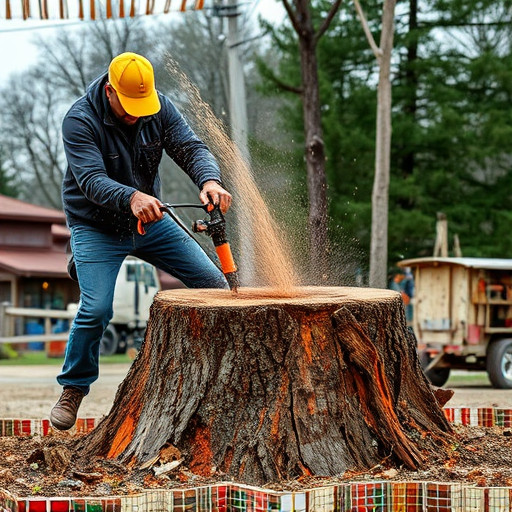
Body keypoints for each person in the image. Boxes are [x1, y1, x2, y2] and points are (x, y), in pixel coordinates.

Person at [50, 52, 232, 431]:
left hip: (151, 221)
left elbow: (190, 148)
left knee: (215, 285)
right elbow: (90, 181)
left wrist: (209, 180)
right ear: (110, 90)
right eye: (129, 107)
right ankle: (73, 388)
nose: (136, 114)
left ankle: (218, 378)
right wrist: (131, 197)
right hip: (96, 225)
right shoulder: (79, 120)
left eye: (141, 107)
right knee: (96, 309)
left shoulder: (158, 107)